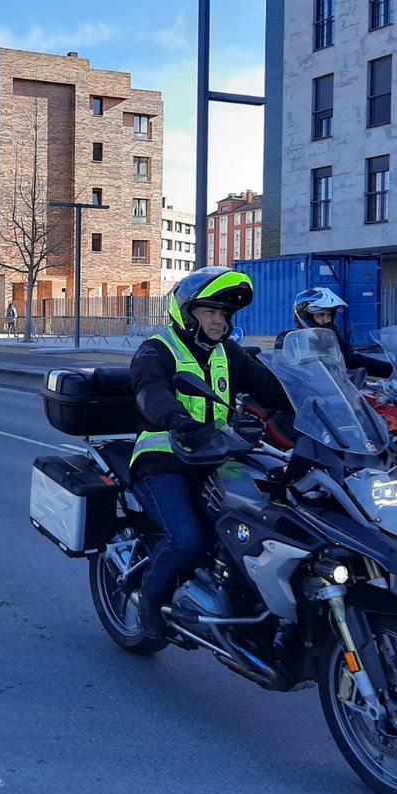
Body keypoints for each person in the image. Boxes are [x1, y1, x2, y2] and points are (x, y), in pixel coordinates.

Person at [130, 267, 289, 640]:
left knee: (264, 520)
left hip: (217, 456)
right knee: (187, 539)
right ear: (187, 313)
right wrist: (175, 418)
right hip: (164, 460)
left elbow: (270, 388)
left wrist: (316, 401)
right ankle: (150, 605)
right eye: (210, 312)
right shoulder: (156, 349)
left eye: (224, 314)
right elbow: (149, 390)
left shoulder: (228, 353)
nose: (219, 320)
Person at [277, 288, 392, 378]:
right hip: (304, 399)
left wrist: (390, 370)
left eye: (329, 315)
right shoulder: (289, 339)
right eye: (320, 315)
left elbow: (352, 359)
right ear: (305, 317)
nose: (326, 320)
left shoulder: (331, 339)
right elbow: (283, 374)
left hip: (335, 393)